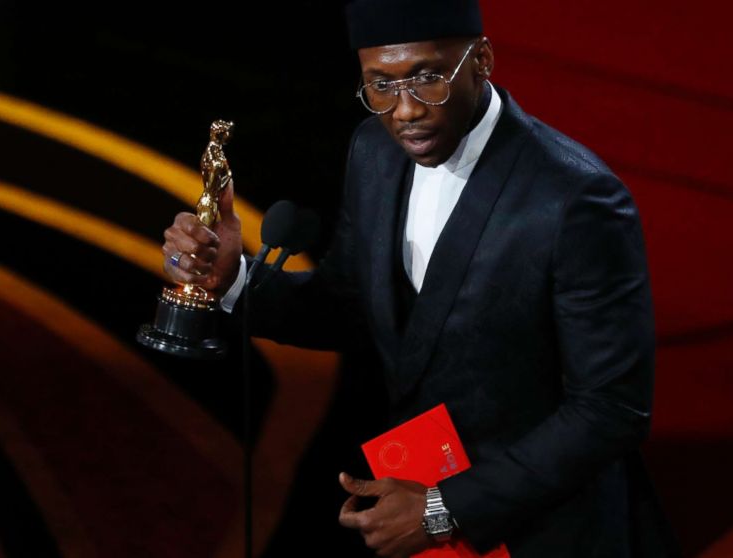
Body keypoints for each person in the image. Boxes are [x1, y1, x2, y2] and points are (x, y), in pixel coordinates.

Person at [161, 0, 679, 555]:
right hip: (422, 508)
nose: (404, 110)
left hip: (550, 534)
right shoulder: (374, 151)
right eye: (379, 85)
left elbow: (610, 410)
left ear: (481, 61)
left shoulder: (575, 198)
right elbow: (352, 304)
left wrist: (445, 509)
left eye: (427, 77)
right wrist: (233, 281)